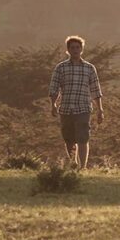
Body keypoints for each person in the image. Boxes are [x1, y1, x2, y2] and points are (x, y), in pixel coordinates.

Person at [48, 35, 104, 169]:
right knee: (69, 139)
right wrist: (53, 105)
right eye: (72, 48)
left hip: (83, 108)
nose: (75, 50)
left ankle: (82, 166)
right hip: (66, 108)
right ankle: (73, 163)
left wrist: (100, 110)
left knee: (83, 138)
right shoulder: (60, 68)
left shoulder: (89, 68)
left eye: (77, 47)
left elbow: (95, 90)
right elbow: (54, 88)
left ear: (82, 49)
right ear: (68, 50)